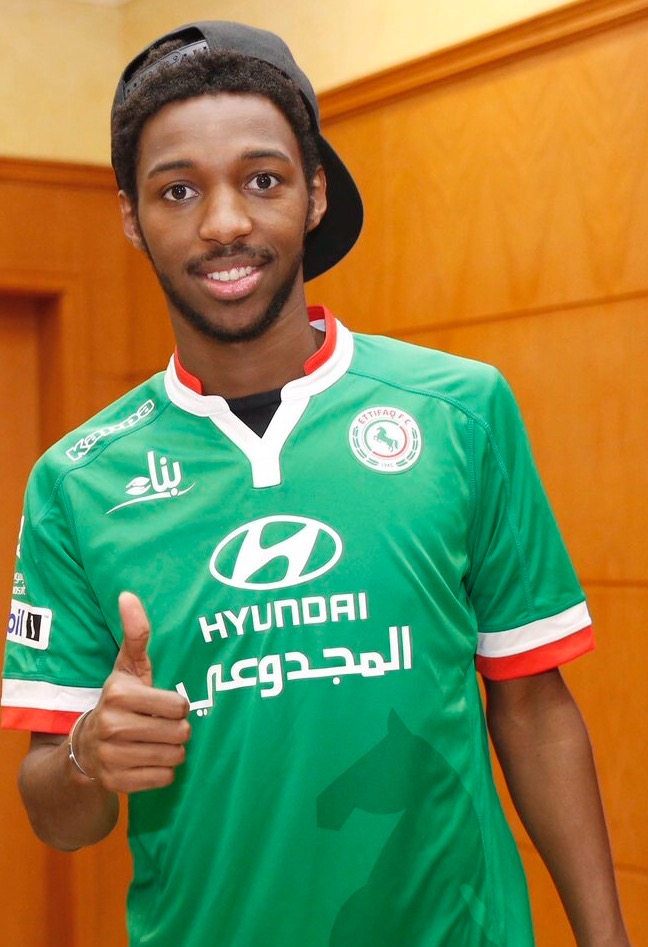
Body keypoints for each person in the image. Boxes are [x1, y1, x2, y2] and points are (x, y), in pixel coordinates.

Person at [1, 20, 630, 947]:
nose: (225, 223)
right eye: (178, 190)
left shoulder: (459, 411)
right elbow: (57, 813)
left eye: (263, 179)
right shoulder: (77, 480)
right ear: (132, 216)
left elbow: (535, 708)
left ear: (316, 191)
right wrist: (90, 755)